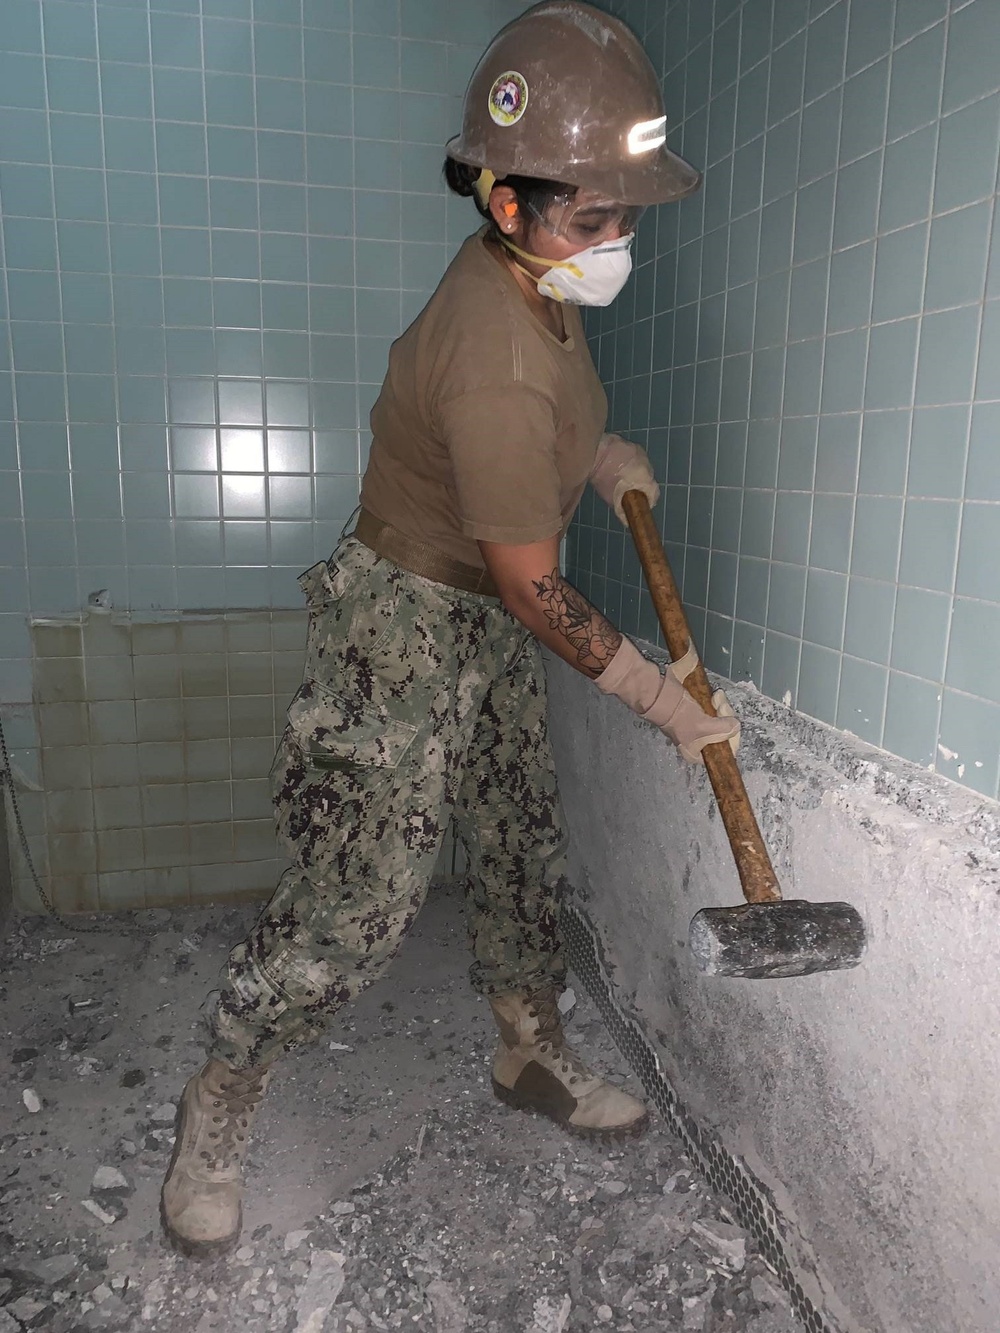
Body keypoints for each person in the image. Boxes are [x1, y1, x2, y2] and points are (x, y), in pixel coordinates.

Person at [160, 0, 740, 1258]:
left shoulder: (541, 279)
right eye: (595, 216)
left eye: (626, 210)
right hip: (404, 621)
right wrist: (663, 702)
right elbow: (534, 587)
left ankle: (527, 1053)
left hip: (480, 614)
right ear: (505, 201)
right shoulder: (493, 343)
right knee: (358, 902)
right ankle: (221, 1095)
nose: (617, 237)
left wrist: (598, 460)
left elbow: (544, 432)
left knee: (521, 841)